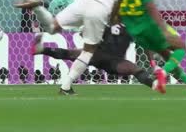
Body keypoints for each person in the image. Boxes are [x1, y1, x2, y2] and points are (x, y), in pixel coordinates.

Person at [32, 23, 161, 90]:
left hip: (109, 59)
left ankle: (155, 84)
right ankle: (155, 85)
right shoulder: (114, 19)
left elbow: (146, 43)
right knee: (134, 69)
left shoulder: (130, 24)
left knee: (135, 69)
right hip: (103, 56)